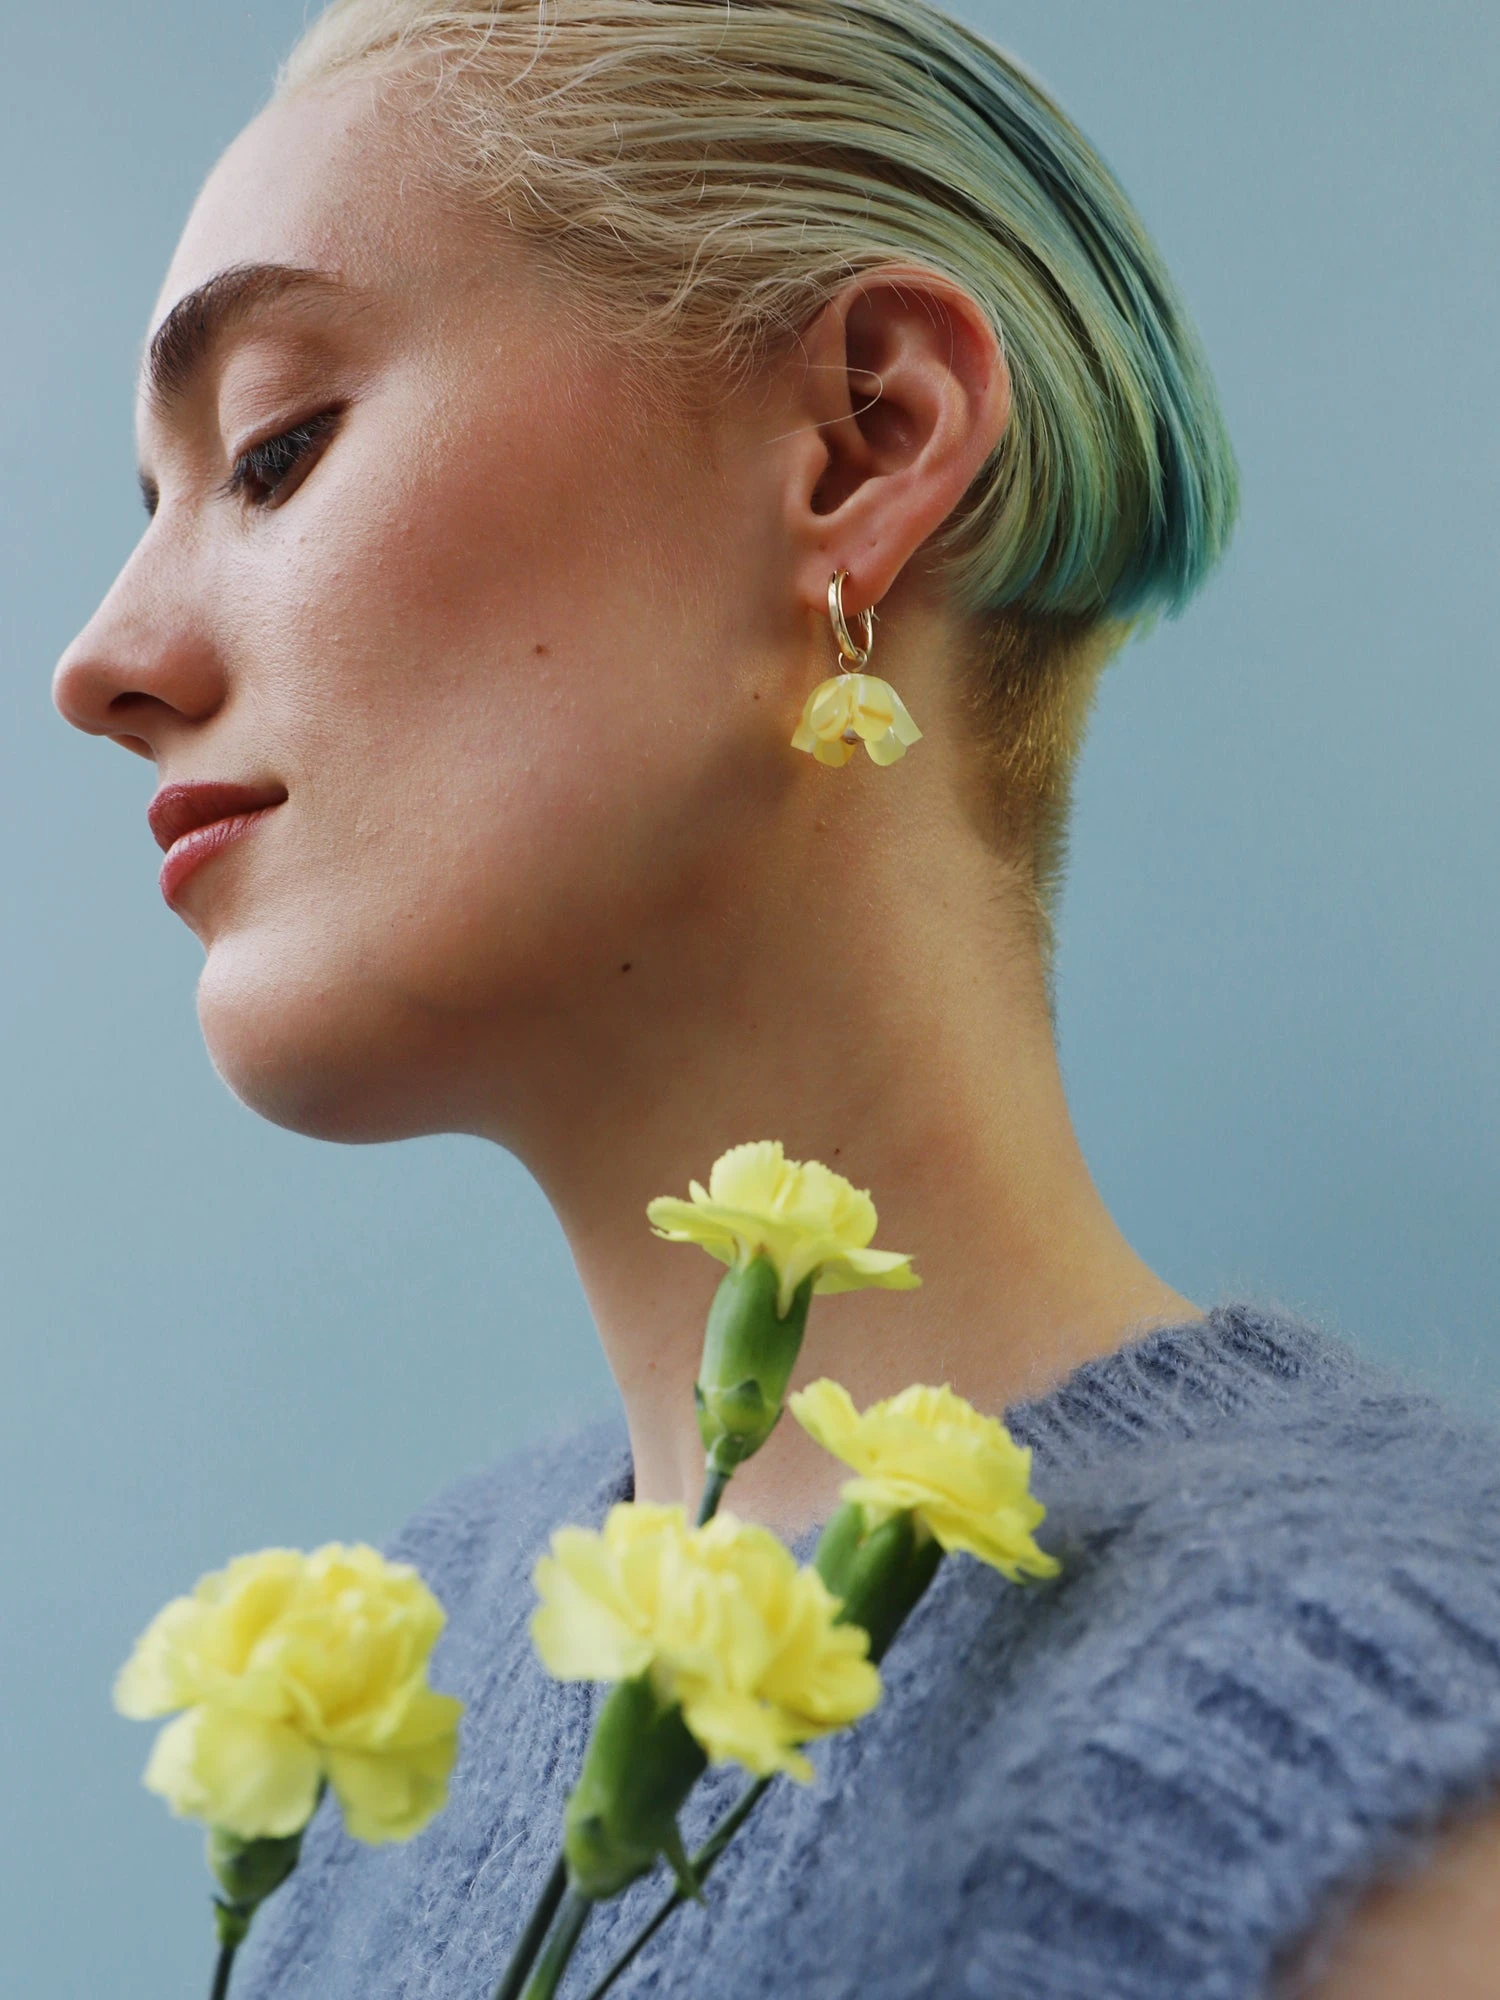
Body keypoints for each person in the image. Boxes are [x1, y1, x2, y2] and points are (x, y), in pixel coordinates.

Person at [52, 2, 1500, 1994]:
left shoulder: (1370, 1763)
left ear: (861, 442)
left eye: (274, 450)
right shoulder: (392, 1704)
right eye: (147, 504)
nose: (101, 660)